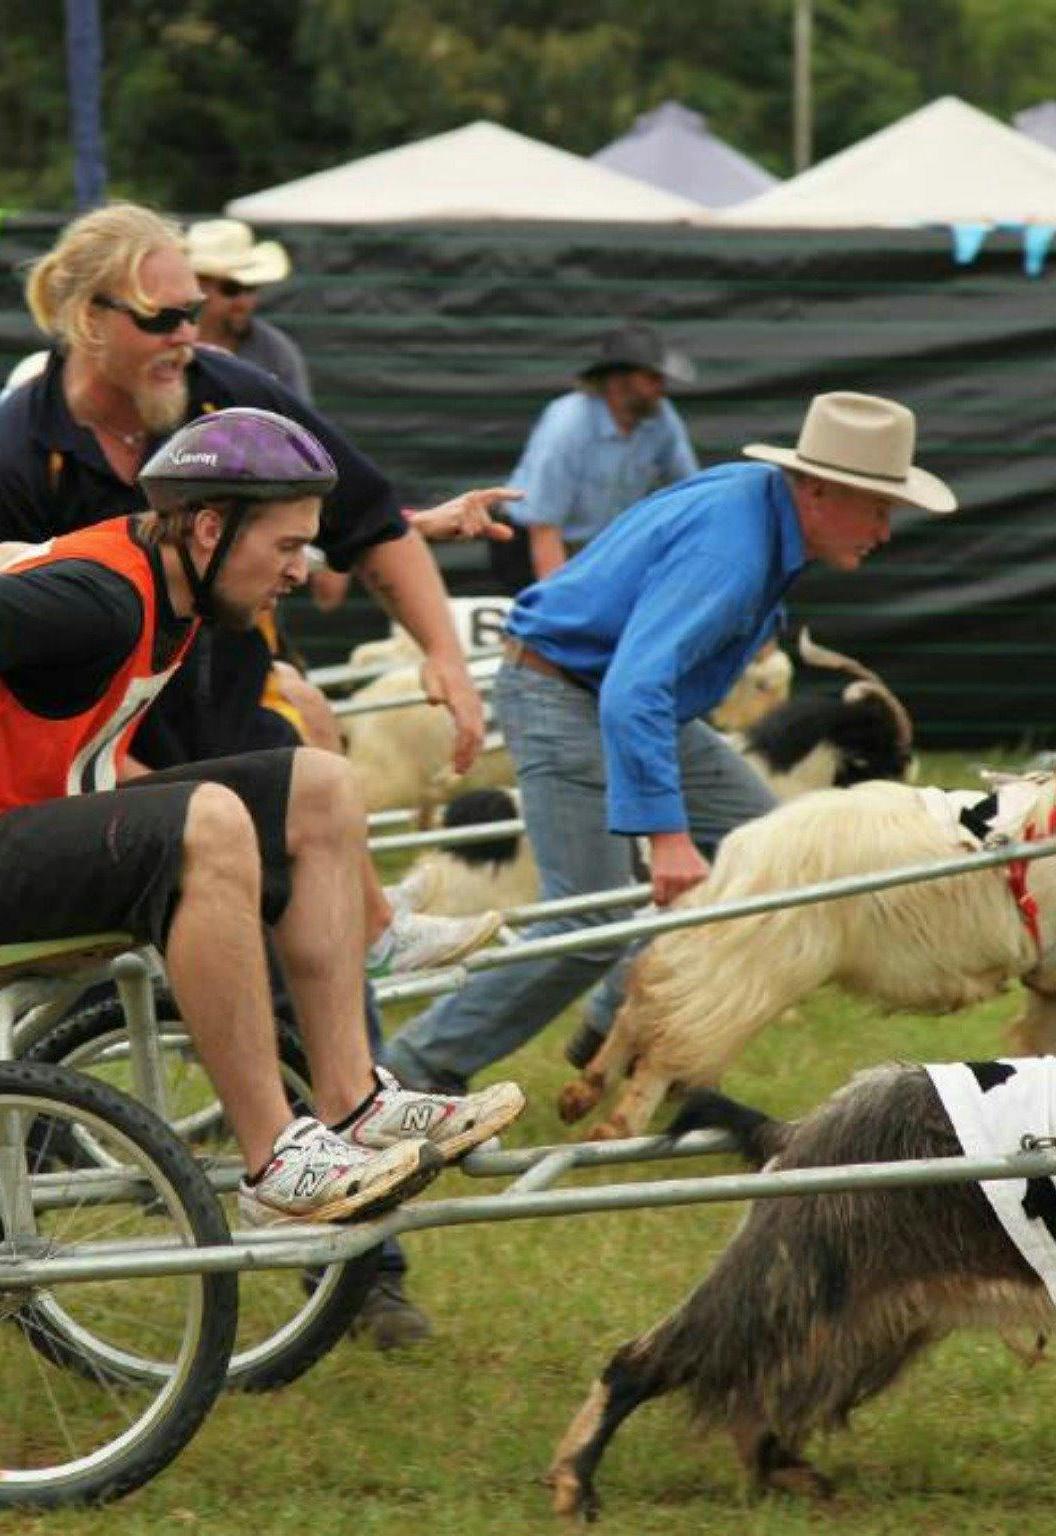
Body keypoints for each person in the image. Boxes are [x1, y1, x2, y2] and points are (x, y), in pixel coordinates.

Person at [0, 407, 526, 1226]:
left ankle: (350, 1099)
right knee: (211, 820)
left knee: (321, 785)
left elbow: (8, 559)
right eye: (286, 549)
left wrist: (407, 528)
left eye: (303, 546)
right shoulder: (101, 598)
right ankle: (273, 1159)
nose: (298, 573)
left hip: (3, 835)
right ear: (210, 526)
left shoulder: (166, 566)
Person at [0, 203, 508, 977]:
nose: (185, 337)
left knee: (312, 795)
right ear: (86, 320)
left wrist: (444, 655)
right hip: (85, 760)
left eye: (192, 312)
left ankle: (362, 1023)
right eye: (160, 317)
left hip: (224, 715)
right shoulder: (8, 466)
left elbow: (367, 520)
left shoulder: (232, 398)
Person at [382, 393, 958, 1093]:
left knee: (771, 851)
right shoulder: (733, 549)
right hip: (568, 695)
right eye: (877, 507)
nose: (884, 530)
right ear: (818, 490)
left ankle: (616, 1015)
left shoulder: (758, 507)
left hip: (615, 696)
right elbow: (633, 689)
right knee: (588, 917)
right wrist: (666, 835)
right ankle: (407, 1073)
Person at [492, 322, 700, 592]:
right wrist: (557, 603)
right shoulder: (568, 426)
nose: (661, 386)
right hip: (530, 544)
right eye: (651, 378)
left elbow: (690, 489)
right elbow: (543, 527)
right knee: (542, 625)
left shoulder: (661, 418)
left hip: (601, 547)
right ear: (617, 381)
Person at [187, 218, 312, 401]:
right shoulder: (172, 345)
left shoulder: (274, 352)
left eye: (251, 288)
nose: (245, 302)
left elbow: (296, 424)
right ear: (198, 287)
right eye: (231, 289)